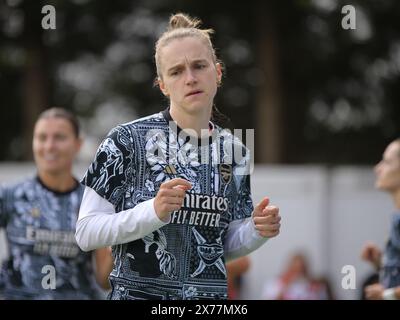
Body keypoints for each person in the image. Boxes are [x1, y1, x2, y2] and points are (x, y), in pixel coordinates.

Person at [75, 13, 281, 300]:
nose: (191, 78)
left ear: (218, 73)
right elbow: (86, 232)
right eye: (176, 72)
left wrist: (256, 230)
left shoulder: (236, 151)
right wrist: (153, 211)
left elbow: (222, 246)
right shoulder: (125, 140)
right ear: (162, 85)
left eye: (199, 66)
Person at [0, 108, 113, 299]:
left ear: (77, 144)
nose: (49, 146)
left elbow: (103, 279)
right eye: (42, 137)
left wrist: (118, 243)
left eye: (59, 137)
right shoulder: (11, 195)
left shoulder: (93, 200)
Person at [361, 138, 400, 300]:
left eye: (387, 162)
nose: (377, 168)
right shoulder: (396, 217)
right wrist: (380, 262)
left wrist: (386, 295)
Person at [261, 252, 331, 300]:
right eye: (295, 269)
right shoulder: (274, 283)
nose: (298, 273)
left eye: (301, 269)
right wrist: (286, 287)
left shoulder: (316, 286)